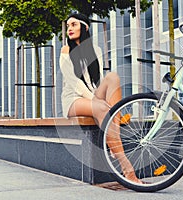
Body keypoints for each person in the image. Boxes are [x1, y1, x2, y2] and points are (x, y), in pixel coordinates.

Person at [60, 13, 142, 184]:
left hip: (91, 95)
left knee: (112, 77)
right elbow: (75, 84)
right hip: (73, 99)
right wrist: (96, 101)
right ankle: (127, 169)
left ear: (85, 27)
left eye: (74, 25)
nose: (70, 29)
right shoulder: (65, 51)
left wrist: (98, 97)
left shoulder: (95, 49)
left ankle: (113, 131)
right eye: (68, 26)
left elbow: (97, 80)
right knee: (102, 108)